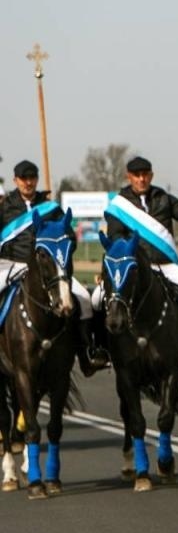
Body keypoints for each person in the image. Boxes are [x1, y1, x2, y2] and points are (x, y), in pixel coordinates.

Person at [101, 155, 178, 375]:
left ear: (151, 176)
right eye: (137, 175)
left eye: (145, 175)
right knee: (98, 299)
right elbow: (115, 237)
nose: (142, 179)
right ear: (129, 177)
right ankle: (101, 349)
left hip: (166, 265)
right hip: (133, 268)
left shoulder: (164, 198)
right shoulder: (119, 205)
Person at [0, 159, 106, 373]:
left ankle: (87, 353)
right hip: (11, 265)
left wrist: (64, 250)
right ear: (15, 180)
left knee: (84, 299)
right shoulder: (5, 208)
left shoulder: (51, 208)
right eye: (23, 179)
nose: (28, 183)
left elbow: (69, 237)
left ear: (37, 179)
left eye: (32, 178)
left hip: (49, 269)